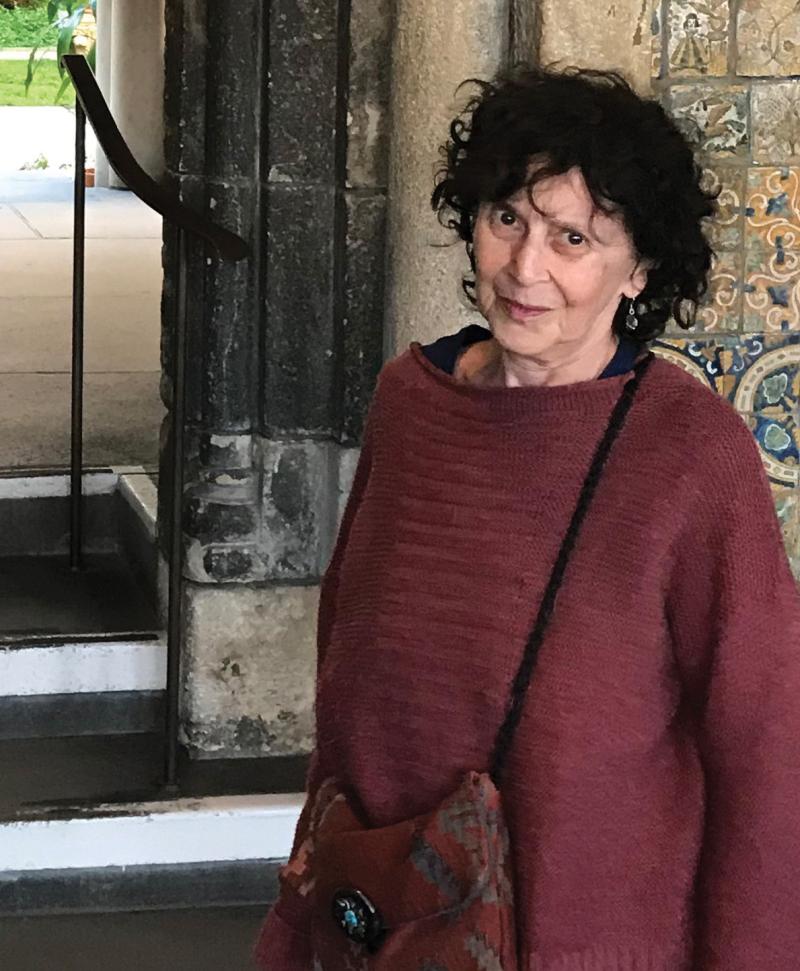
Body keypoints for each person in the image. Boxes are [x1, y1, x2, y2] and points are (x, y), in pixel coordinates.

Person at [256, 66, 800, 969]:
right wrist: (308, 898)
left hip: (588, 933)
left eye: (572, 236)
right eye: (506, 216)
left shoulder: (690, 454)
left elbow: (766, 745)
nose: (525, 266)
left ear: (640, 270)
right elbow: (346, 669)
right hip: (391, 923)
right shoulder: (411, 398)